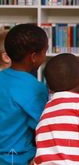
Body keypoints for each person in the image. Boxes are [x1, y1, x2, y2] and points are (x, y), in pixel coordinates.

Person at [0, 23, 49, 165]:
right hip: (16, 158)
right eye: (44, 52)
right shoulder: (36, 89)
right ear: (33, 57)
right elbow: (42, 128)